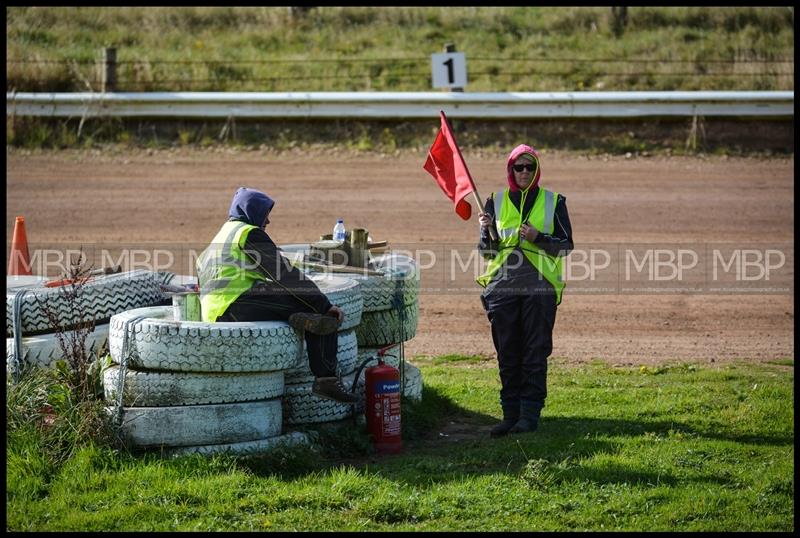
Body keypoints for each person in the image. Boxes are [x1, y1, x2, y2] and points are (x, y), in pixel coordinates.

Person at [196, 186, 358, 404]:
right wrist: (324, 304)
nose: (268, 221)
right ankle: (326, 379)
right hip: (237, 303)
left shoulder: (221, 237)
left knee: (302, 303)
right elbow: (284, 274)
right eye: (265, 215)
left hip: (216, 313)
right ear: (252, 212)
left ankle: (297, 316)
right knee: (314, 305)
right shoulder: (248, 233)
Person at [476, 144, 573, 437]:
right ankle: (509, 414)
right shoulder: (495, 200)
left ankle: (529, 415)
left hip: (540, 287)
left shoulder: (554, 201)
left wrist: (538, 237)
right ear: (510, 170)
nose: (524, 173)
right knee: (507, 351)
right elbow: (488, 253)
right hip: (502, 286)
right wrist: (486, 231)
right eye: (519, 167)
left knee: (534, 350)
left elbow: (565, 245)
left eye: (530, 167)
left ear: (537, 170)